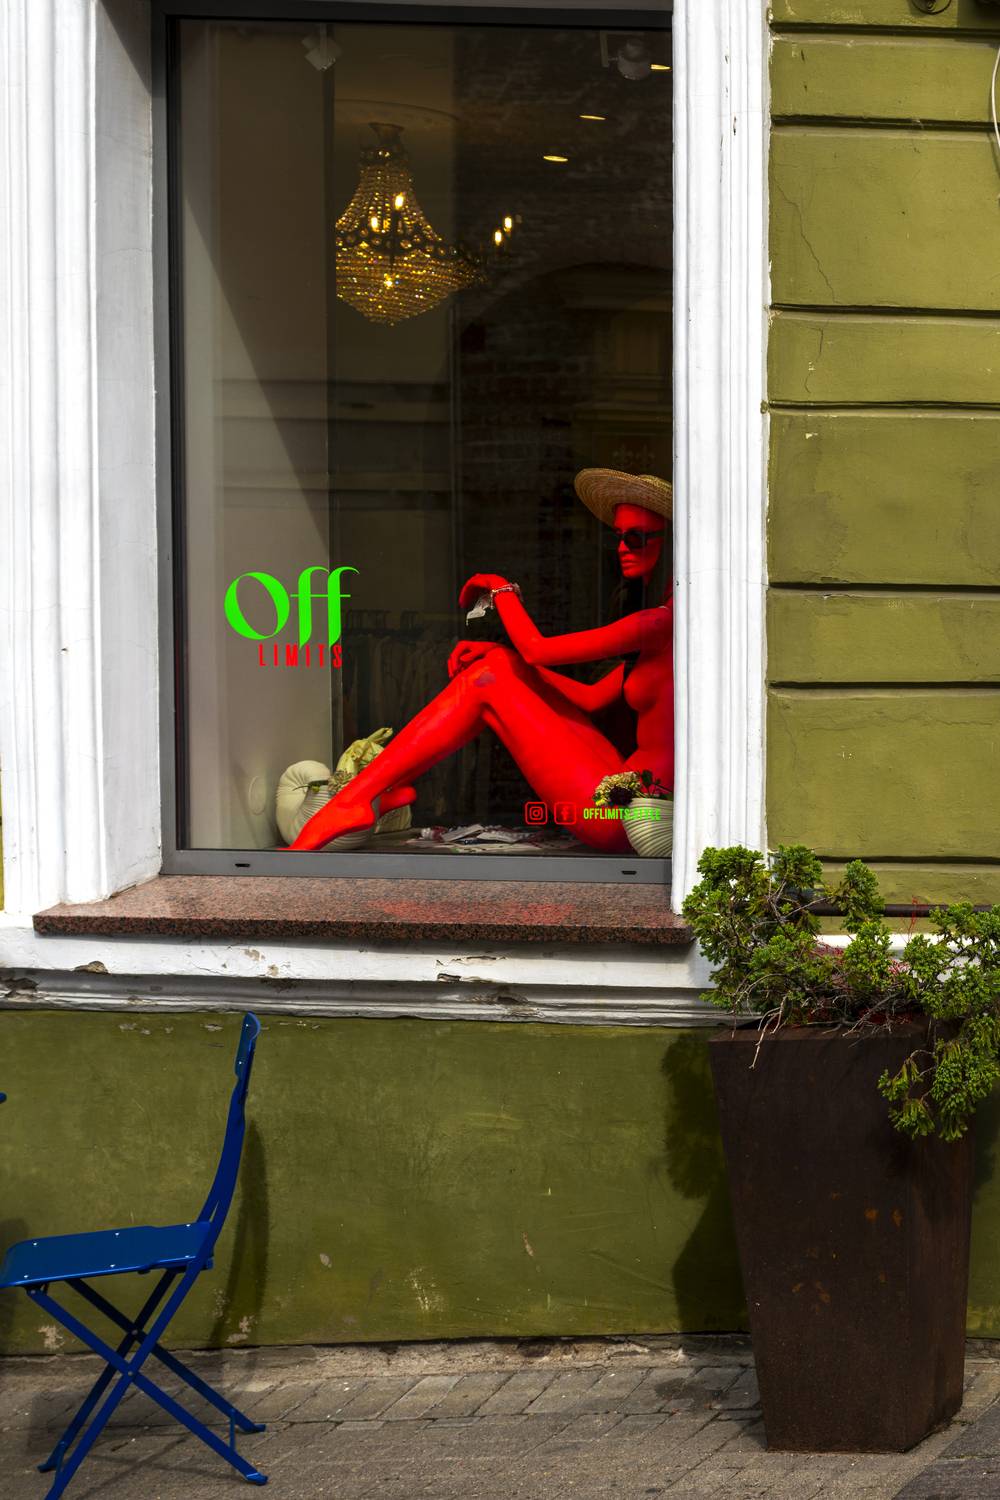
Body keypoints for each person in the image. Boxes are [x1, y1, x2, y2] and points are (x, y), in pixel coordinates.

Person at [288, 468, 673, 854]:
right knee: (497, 668)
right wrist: (508, 657)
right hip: (623, 790)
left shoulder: (659, 623)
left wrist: (500, 588)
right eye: (618, 536)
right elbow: (591, 698)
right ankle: (375, 792)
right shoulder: (670, 625)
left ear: (673, 544)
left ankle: (356, 800)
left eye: (636, 537)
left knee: (487, 678)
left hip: (625, 818)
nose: (622, 548)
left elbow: (538, 649)